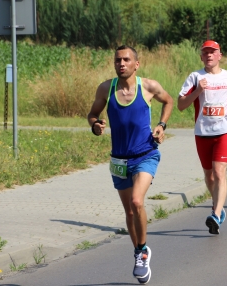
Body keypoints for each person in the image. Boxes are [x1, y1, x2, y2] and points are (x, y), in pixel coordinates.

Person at [87, 45, 174, 284]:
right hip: (119, 159)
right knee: (129, 211)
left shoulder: (148, 87)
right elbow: (92, 114)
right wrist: (95, 125)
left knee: (137, 201)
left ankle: (143, 250)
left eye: (126, 60)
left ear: (137, 64)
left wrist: (161, 125)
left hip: (145, 154)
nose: (121, 63)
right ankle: (138, 251)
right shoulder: (106, 88)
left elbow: (168, 101)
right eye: (117, 60)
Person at [177, 40, 227, 235]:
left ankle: (214, 215)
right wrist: (198, 91)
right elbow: (181, 105)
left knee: (219, 171)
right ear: (201, 57)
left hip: (225, 130)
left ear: (219, 55)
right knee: (209, 175)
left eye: (213, 52)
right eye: (205, 53)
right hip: (203, 132)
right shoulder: (195, 77)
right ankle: (219, 206)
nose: (209, 55)